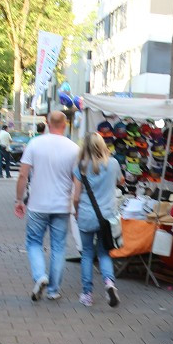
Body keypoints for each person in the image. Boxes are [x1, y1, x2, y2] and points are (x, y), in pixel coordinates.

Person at [15, 111, 79, 301]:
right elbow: (78, 181)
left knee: (34, 242)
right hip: (62, 205)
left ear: (47, 123)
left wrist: (19, 200)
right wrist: (76, 204)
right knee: (58, 247)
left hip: (37, 205)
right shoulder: (74, 148)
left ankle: (40, 275)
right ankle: (53, 290)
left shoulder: (35, 144)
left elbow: (22, 175)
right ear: (65, 125)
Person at [71, 132, 121, 308]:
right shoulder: (113, 164)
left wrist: (76, 212)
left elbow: (76, 197)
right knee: (104, 252)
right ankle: (109, 283)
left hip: (86, 215)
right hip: (106, 217)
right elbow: (120, 181)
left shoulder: (80, 167)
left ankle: (87, 294)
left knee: (87, 254)